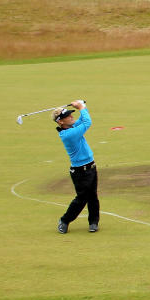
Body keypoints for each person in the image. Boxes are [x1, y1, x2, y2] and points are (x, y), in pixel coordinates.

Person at [53, 100, 99, 233]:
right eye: (67, 116)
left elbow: (83, 119)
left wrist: (82, 108)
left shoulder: (72, 128)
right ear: (60, 122)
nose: (71, 116)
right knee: (81, 199)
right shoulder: (68, 135)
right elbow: (87, 122)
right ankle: (65, 220)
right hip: (80, 172)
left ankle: (93, 222)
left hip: (91, 167)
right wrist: (81, 107)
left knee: (93, 197)